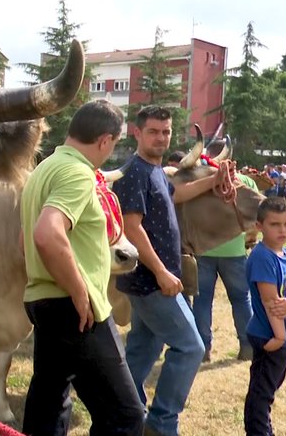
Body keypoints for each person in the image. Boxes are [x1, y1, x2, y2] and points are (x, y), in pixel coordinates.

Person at [20, 100, 144, 436]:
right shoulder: (77, 173)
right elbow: (47, 233)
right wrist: (79, 290)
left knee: (49, 407)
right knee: (125, 416)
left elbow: (30, 240)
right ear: (105, 140)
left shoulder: (43, 170)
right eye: (114, 144)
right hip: (75, 307)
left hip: (44, 300)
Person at [112, 106, 219, 436]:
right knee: (191, 347)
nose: (161, 137)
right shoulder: (134, 173)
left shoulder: (155, 170)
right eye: (154, 131)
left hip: (153, 281)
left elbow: (177, 194)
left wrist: (216, 178)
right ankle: (160, 424)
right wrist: (160, 272)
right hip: (151, 282)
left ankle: (122, 415)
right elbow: (132, 228)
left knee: (143, 351)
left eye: (166, 132)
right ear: (137, 133)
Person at [244, 197, 286, 435]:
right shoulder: (262, 257)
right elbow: (271, 302)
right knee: (261, 396)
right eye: (275, 224)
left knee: (269, 389)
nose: (283, 230)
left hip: (284, 337)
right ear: (259, 226)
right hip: (270, 335)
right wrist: (281, 337)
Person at [193, 140, 257, 363]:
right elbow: (255, 214)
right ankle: (247, 347)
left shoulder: (199, 180)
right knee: (241, 299)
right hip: (235, 251)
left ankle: (203, 349)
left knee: (202, 301)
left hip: (203, 249)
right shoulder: (245, 180)